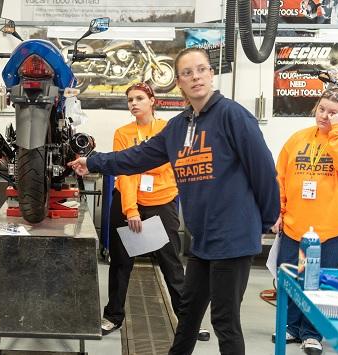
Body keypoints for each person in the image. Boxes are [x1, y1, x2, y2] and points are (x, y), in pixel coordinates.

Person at [69, 47, 280, 355]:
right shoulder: (178, 127)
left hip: (233, 237)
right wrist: (95, 162)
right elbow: (137, 157)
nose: (195, 77)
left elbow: (262, 167)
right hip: (203, 239)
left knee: (225, 322)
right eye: (187, 73)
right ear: (178, 82)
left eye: (201, 69)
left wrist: (265, 219)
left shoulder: (232, 115)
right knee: (189, 314)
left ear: (211, 74)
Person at [102, 82, 210, 341]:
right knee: (120, 264)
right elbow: (125, 172)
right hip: (129, 204)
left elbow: (170, 166)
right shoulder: (122, 133)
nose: (134, 104)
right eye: (130, 100)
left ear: (153, 100)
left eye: (139, 98)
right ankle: (113, 316)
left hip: (161, 202)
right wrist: (131, 210)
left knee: (171, 264)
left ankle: (187, 320)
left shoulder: (167, 129)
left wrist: (144, 166)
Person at [272, 88, 338, 355]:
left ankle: (311, 333)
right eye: (322, 109)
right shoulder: (297, 139)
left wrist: (337, 131)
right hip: (294, 226)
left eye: (333, 112)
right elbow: (280, 178)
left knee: (319, 283)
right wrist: (277, 211)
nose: (325, 116)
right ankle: (290, 326)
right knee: (292, 278)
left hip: (331, 229)